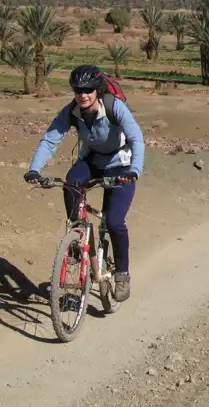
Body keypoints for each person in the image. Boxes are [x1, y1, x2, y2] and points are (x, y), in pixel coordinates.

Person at [23, 64, 144, 302]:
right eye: (78, 90)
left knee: (115, 222)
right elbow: (50, 140)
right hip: (92, 161)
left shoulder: (114, 107)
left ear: (97, 90)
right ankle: (77, 236)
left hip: (121, 165)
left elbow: (136, 138)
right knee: (71, 183)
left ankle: (122, 274)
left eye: (88, 90)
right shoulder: (72, 111)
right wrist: (34, 169)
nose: (83, 95)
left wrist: (134, 170)